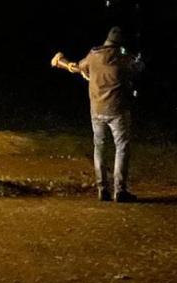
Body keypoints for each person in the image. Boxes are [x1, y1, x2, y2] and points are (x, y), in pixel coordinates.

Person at [52, 26, 142, 202]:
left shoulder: (94, 55)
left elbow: (77, 67)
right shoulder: (124, 59)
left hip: (97, 110)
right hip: (118, 111)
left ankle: (103, 189)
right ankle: (120, 191)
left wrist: (61, 61)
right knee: (121, 148)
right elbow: (138, 68)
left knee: (99, 147)